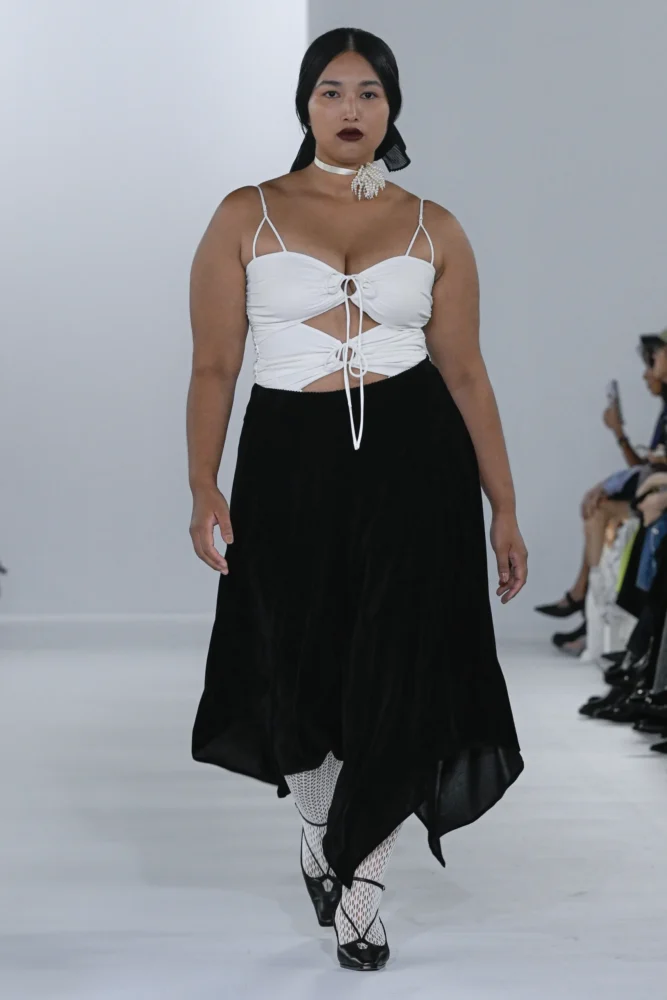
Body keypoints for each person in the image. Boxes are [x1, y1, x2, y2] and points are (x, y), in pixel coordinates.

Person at [187, 26, 527, 972]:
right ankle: (316, 821)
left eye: (369, 92)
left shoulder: (432, 225)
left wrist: (502, 506)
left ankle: (362, 886)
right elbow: (214, 365)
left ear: (391, 107)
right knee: (296, 661)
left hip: (415, 463)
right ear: (305, 104)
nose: (350, 109)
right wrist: (202, 481)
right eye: (331, 91)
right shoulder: (246, 212)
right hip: (287, 461)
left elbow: (466, 375)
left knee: (399, 667)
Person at [536, 331, 667, 656]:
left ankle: (586, 606)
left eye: (653, 359)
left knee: (601, 511)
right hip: (654, 494)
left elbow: (650, 469)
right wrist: (620, 435)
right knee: (599, 509)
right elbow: (647, 467)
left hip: (658, 499)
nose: (647, 371)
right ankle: (588, 611)